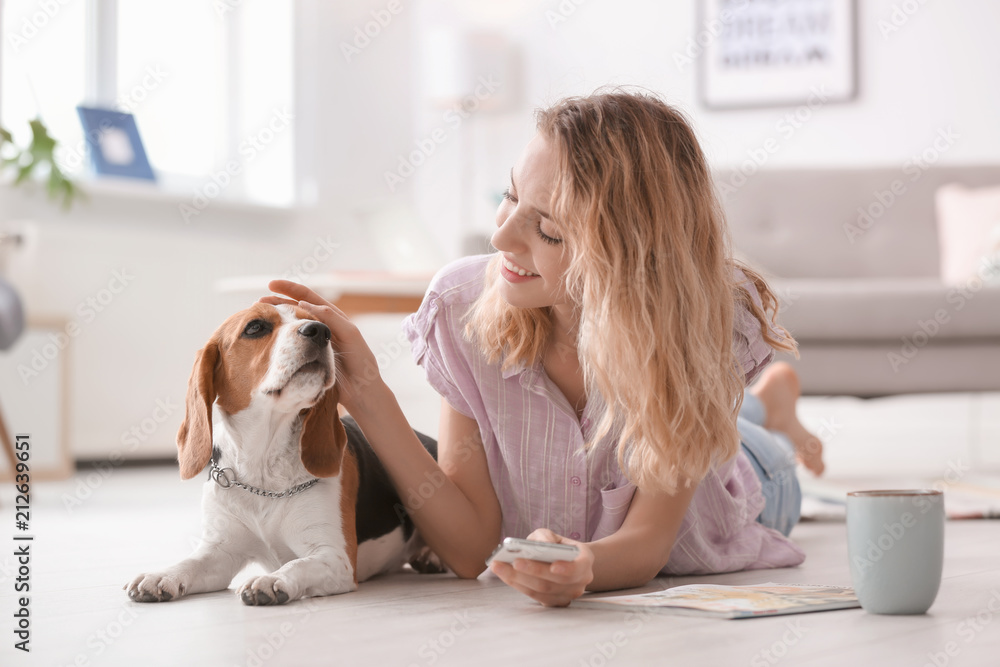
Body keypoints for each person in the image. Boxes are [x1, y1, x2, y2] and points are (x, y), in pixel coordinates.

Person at [261, 90, 825, 608]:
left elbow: (649, 542)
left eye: (549, 231)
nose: (501, 238)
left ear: (629, 254)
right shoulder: (462, 308)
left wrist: (586, 567)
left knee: (755, 451)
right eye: (509, 197)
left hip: (746, 485)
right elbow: (467, 548)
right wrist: (365, 392)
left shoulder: (702, 319)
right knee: (732, 420)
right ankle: (762, 405)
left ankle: (770, 413)